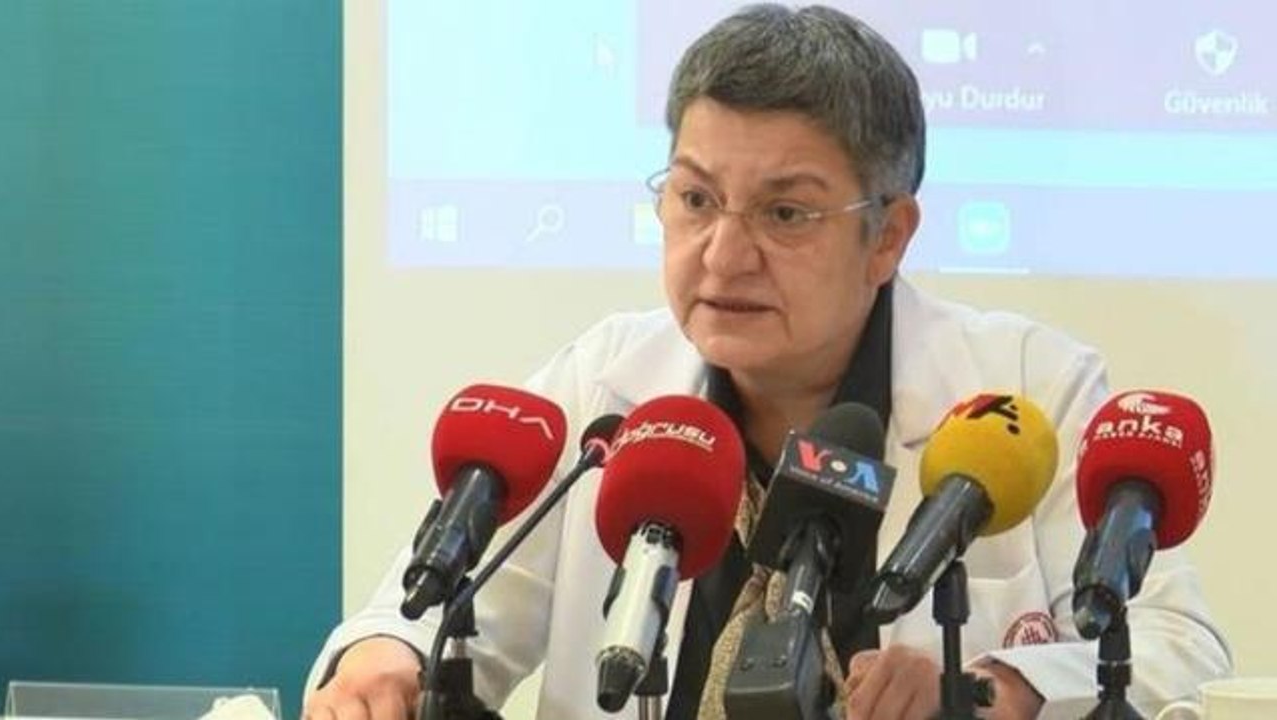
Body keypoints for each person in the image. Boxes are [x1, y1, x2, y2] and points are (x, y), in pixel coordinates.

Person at [303, 5, 1230, 720]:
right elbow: (424, 616)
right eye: (695, 199)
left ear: (887, 236)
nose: (722, 254)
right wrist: (386, 660)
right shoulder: (604, 386)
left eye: (784, 213)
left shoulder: (1025, 391)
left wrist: (1000, 686)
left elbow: (1178, 650)